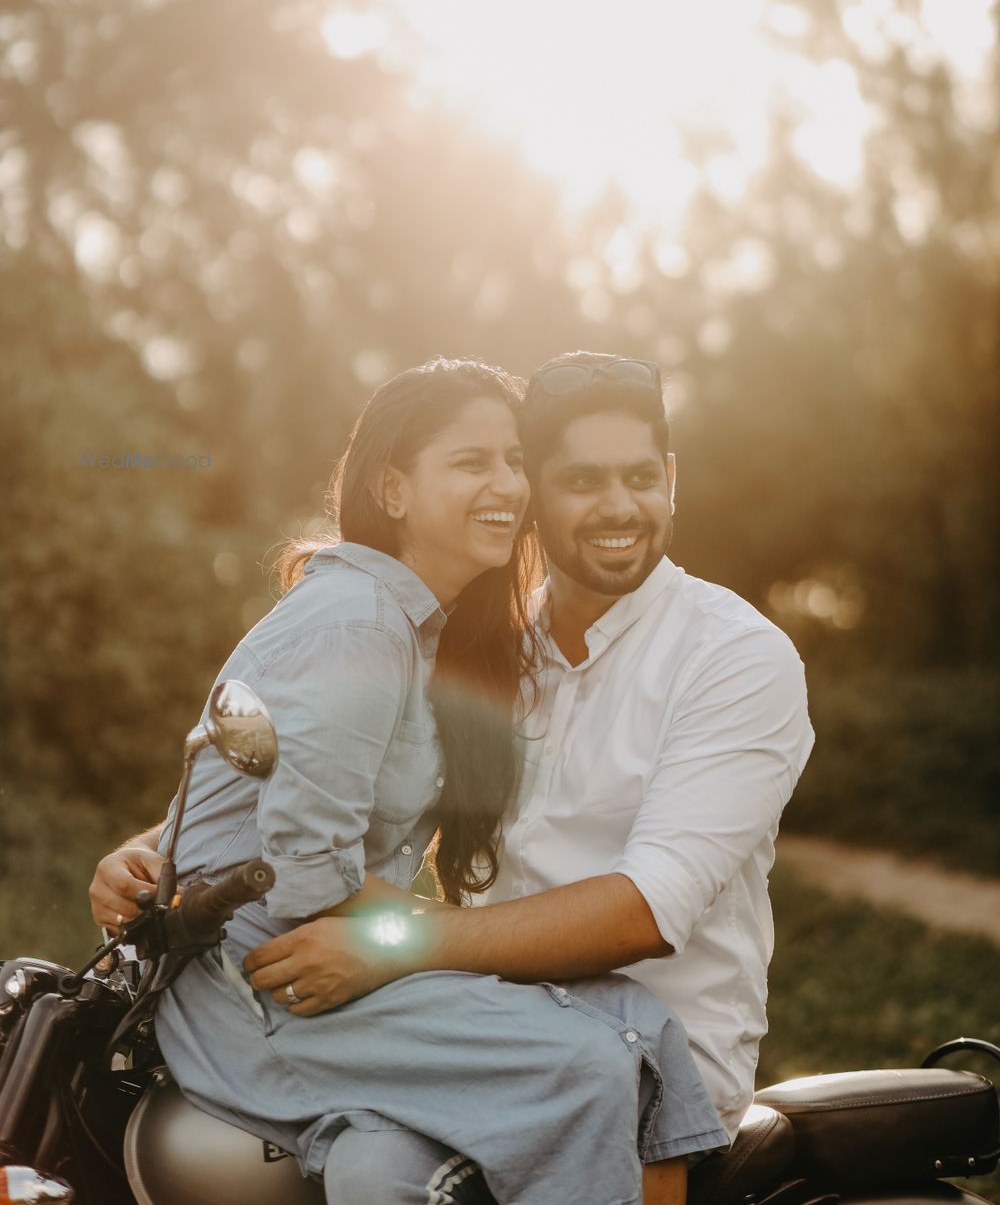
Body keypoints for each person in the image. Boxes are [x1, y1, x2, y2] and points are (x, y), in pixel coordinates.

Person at [90, 355, 727, 1205]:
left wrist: (151, 844)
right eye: (471, 462)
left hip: (318, 958)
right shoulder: (357, 623)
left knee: (634, 1019)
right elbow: (307, 877)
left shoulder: (414, 627)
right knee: (586, 1062)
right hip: (267, 985)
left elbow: (262, 797)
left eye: (512, 461)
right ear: (392, 489)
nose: (507, 483)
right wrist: (426, 942)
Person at [218, 350, 815, 1201]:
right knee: (354, 1169)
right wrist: (163, 856)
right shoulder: (486, 643)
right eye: (581, 482)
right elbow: (333, 770)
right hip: (485, 1041)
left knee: (386, 1180)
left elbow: (648, 907)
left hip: (646, 1077)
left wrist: (396, 948)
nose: (620, 508)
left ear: (672, 478)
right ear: (533, 492)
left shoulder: (736, 656)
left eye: (642, 477)